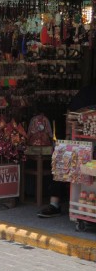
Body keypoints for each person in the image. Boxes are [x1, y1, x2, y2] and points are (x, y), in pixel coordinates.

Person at [38, 83, 96, 218]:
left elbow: (70, 113)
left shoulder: (86, 91)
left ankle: (56, 204)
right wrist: (69, 136)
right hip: (81, 138)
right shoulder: (88, 92)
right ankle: (56, 204)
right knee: (65, 161)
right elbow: (71, 113)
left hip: (81, 137)